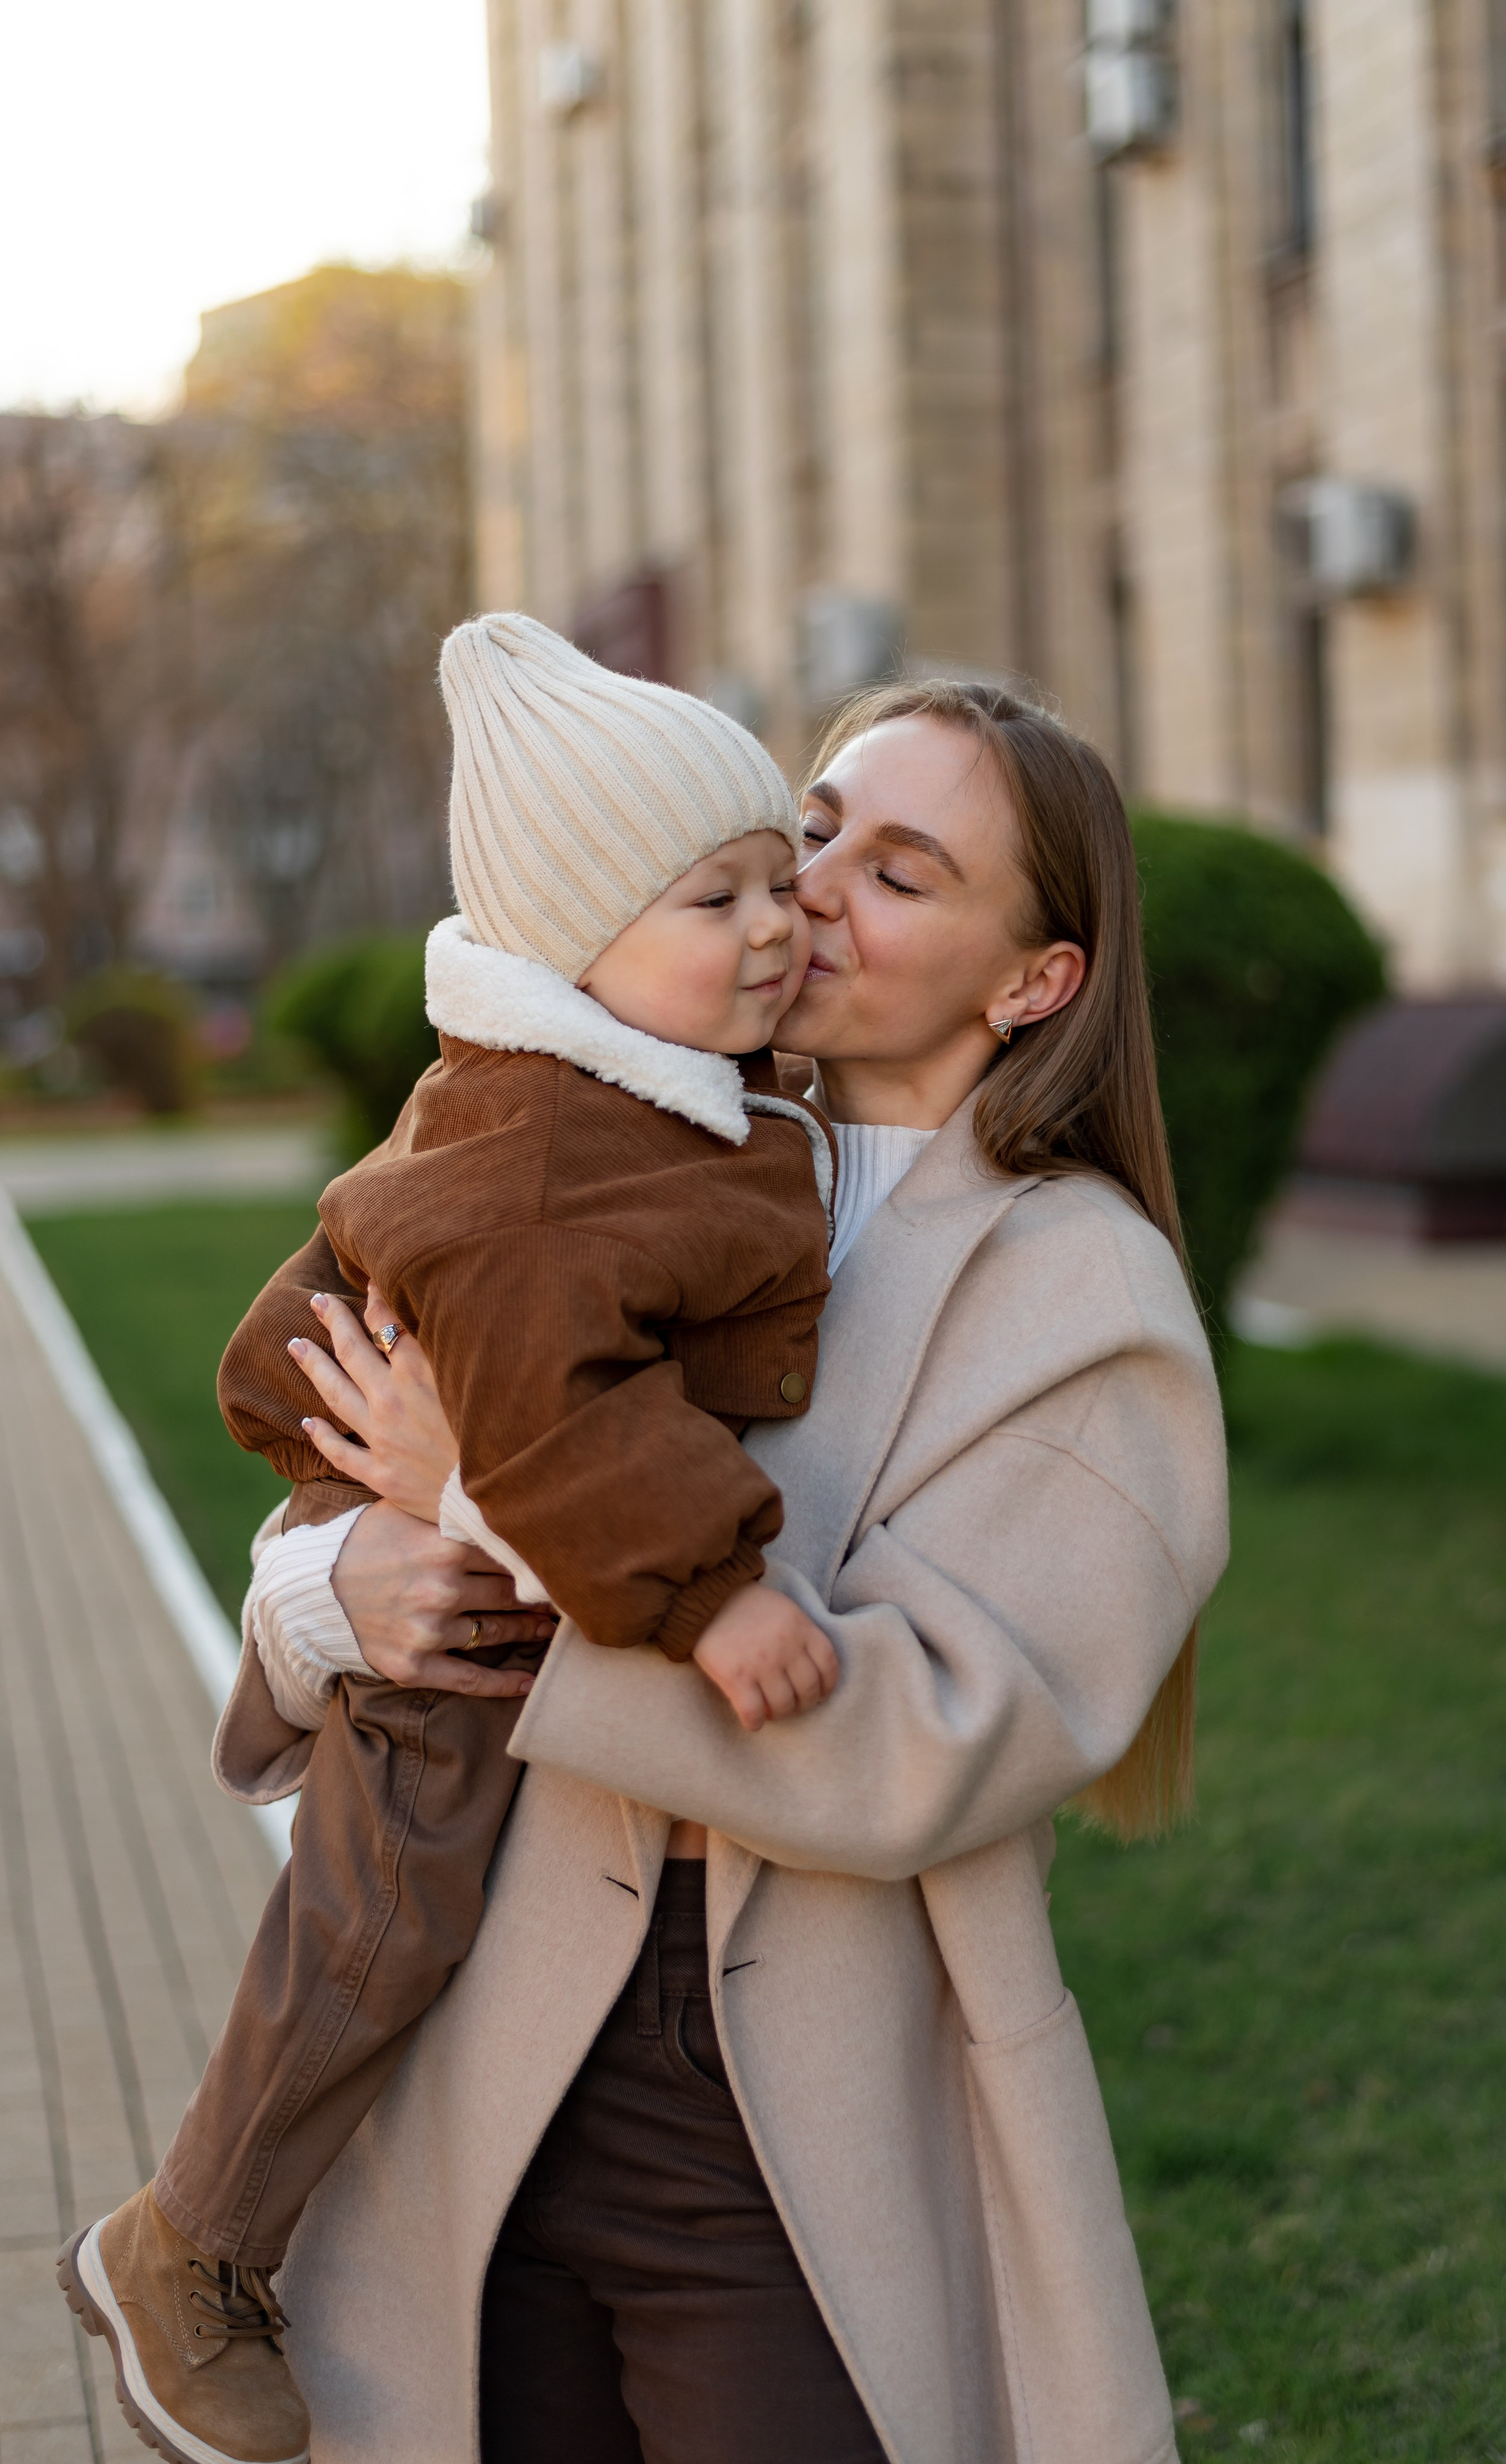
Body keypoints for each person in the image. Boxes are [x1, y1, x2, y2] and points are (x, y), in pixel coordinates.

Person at [204, 682, 1227, 2463]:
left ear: (1032, 981)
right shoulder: (602, 1121)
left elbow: (918, 1741)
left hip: (797, 2090)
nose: (813, 889)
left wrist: (493, 1511)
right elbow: (349, 1441)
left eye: (903, 872)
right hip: (482, 2035)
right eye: (816, 824)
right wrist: (322, 1594)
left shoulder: (1087, 1298)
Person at [57, 616, 846, 2464]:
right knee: (386, 1906)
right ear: (577, 946)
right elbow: (556, 1412)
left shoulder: (644, 1094)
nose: (775, 925)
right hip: (453, 1580)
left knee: (397, 1910)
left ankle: (214, 2229)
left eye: (780, 881)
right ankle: (188, 2242)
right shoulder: (561, 1150)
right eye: (715, 897)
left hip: (469, 1536)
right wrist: (717, 1594)